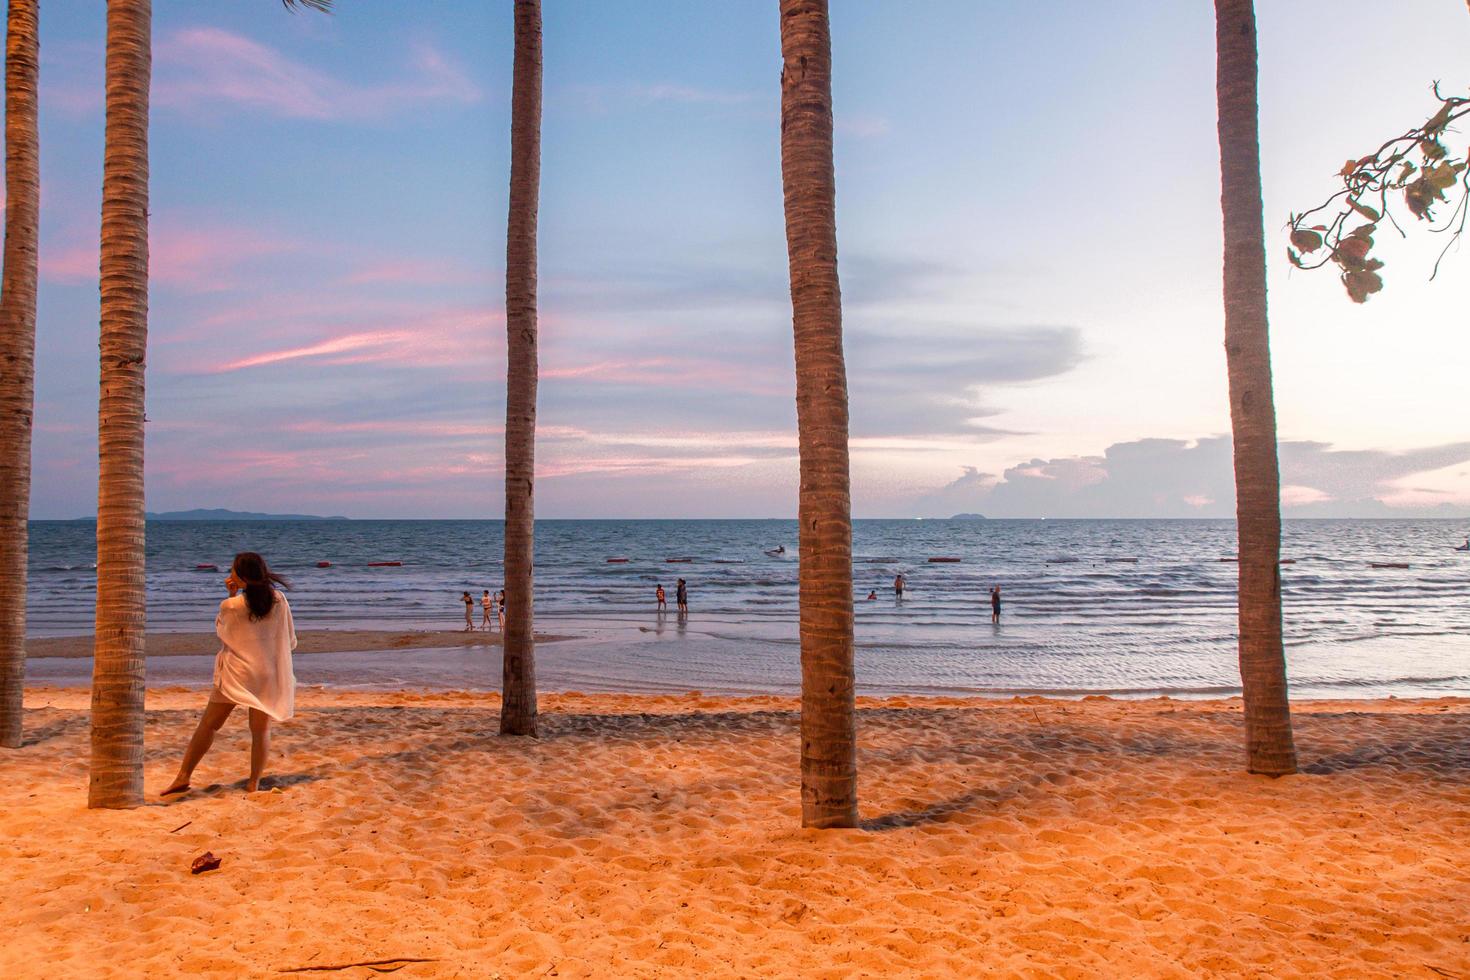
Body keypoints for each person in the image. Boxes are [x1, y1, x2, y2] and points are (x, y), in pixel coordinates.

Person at [162, 552, 297, 795]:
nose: (230, 573)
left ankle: (183, 776)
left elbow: (223, 631)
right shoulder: (279, 599)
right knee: (261, 730)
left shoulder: (231, 605)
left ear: (242, 576)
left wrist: (231, 595)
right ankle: (253, 783)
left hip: (237, 673)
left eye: (233, 570)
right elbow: (289, 639)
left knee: (209, 726)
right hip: (266, 674)